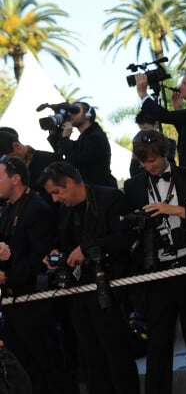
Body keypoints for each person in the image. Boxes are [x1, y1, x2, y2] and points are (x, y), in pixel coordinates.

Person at [38, 161, 139, 394]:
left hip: (110, 292)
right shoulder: (65, 211)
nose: (54, 199)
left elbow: (125, 239)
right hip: (80, 296)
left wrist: (88, 248)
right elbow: (64, 244)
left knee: (117, 356)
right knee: (90, 358)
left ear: (71, 183)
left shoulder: (110, 198)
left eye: (56, 192)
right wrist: (56, 255)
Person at [124, 129, 186, 394]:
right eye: (143, 163)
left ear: (166, 154)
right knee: (158, 344)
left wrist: (175, 210)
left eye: (153, 161)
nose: (149, 167)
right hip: (156, 274)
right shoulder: (133, 186)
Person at [0, 156, 77, 394]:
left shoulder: (36, 207)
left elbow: (40, 255)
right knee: (22, 370)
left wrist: (8, 278)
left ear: (16, 178)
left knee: (48, 367)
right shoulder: (7, 210)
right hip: (14, 305)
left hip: (36, 302)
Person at [48, 102, 117, 188]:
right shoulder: (86, 136)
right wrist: (54, 133)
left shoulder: (95, 137)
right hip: (96, 189)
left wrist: (65, 138)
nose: (71, 114)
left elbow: (74, 161)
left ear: (87, 115)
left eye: (75, 110)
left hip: (102, 191)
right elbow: (62, 151)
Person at [129, 110, 177, 177]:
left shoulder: (170, 143)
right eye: (141, 129)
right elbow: (133, 170)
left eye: (146, 128)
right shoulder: (138, 144)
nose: (143, 132)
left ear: (156, 124)